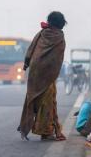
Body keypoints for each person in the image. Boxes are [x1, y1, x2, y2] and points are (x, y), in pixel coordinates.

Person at [18, 11, 67, 141]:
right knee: (48, 102)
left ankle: (40, 127)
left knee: (35, 98)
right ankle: (45, 131)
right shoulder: (59, 36)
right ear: (61, 23)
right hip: (48, 74)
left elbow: (30, 50)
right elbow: (57, 58)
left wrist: (26, 64)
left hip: (35, 72)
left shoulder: (41, 34)